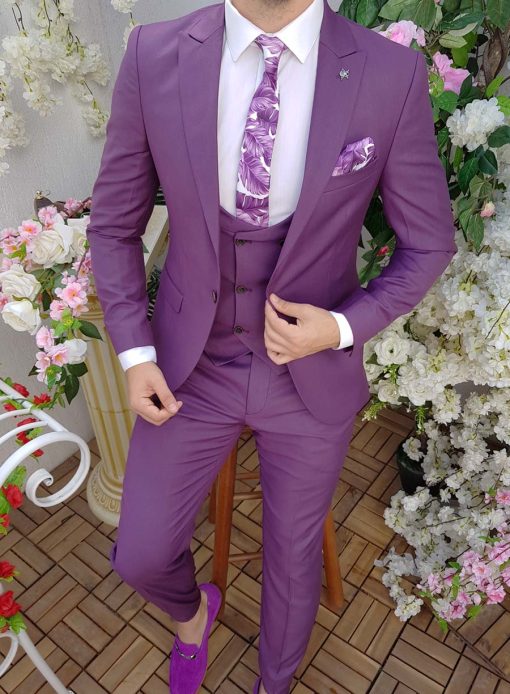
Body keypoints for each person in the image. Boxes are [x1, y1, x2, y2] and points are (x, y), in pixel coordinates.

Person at [85, 0, 457, 692]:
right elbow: (111, 226)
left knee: (292, 558)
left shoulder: (389, 73)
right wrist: (134, 353)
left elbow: (430, 242)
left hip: (309, 372)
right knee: (140, 554)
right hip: (190, 365)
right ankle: (193, 616)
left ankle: (275, 683)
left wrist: (341, 327)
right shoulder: (152, 55)